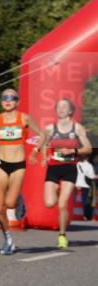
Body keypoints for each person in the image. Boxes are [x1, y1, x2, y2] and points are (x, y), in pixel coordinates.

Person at [0, 89, 43, 254]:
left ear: (17, 101)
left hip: (18, 164)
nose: (7, 100)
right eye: (4, 98)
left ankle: (20, 205)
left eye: (11, 98)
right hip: (0, 163)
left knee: (11, 204)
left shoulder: (24, 118)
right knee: (1, 208)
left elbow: (44, 134)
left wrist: (36, 151)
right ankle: (8, 240)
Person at [35, 98, 92, 248]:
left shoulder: (77, 128)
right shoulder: (50, 128)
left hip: (69, 169)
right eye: (58, 107)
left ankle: (62, 235)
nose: (61, 109)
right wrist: (43, 156)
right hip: (53, 168)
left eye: (64, 107)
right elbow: (43, 143)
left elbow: (88, 148)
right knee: (49, 203)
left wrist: (73, 150)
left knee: (62, 205)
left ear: (70, 111)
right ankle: (59, 190)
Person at [78, 154, 96, 221]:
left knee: (88, 201)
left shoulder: (78, 164)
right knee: (86, 200)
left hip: (86, 184)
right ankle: (85, 215)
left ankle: (86, 216)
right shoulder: (86, 165)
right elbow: (90, 176)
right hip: (85, 184)